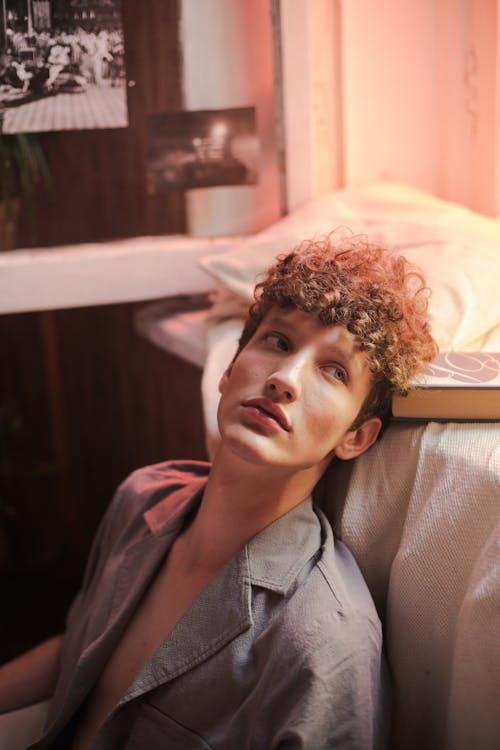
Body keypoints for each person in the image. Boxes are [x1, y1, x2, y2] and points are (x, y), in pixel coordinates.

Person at [0, 234, 437, 749]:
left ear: (356, 436)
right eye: (278, 341)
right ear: (230, 372)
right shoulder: (142, 497)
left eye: (334, 371)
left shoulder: (322, 639)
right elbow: (80, 647)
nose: (285, 379)